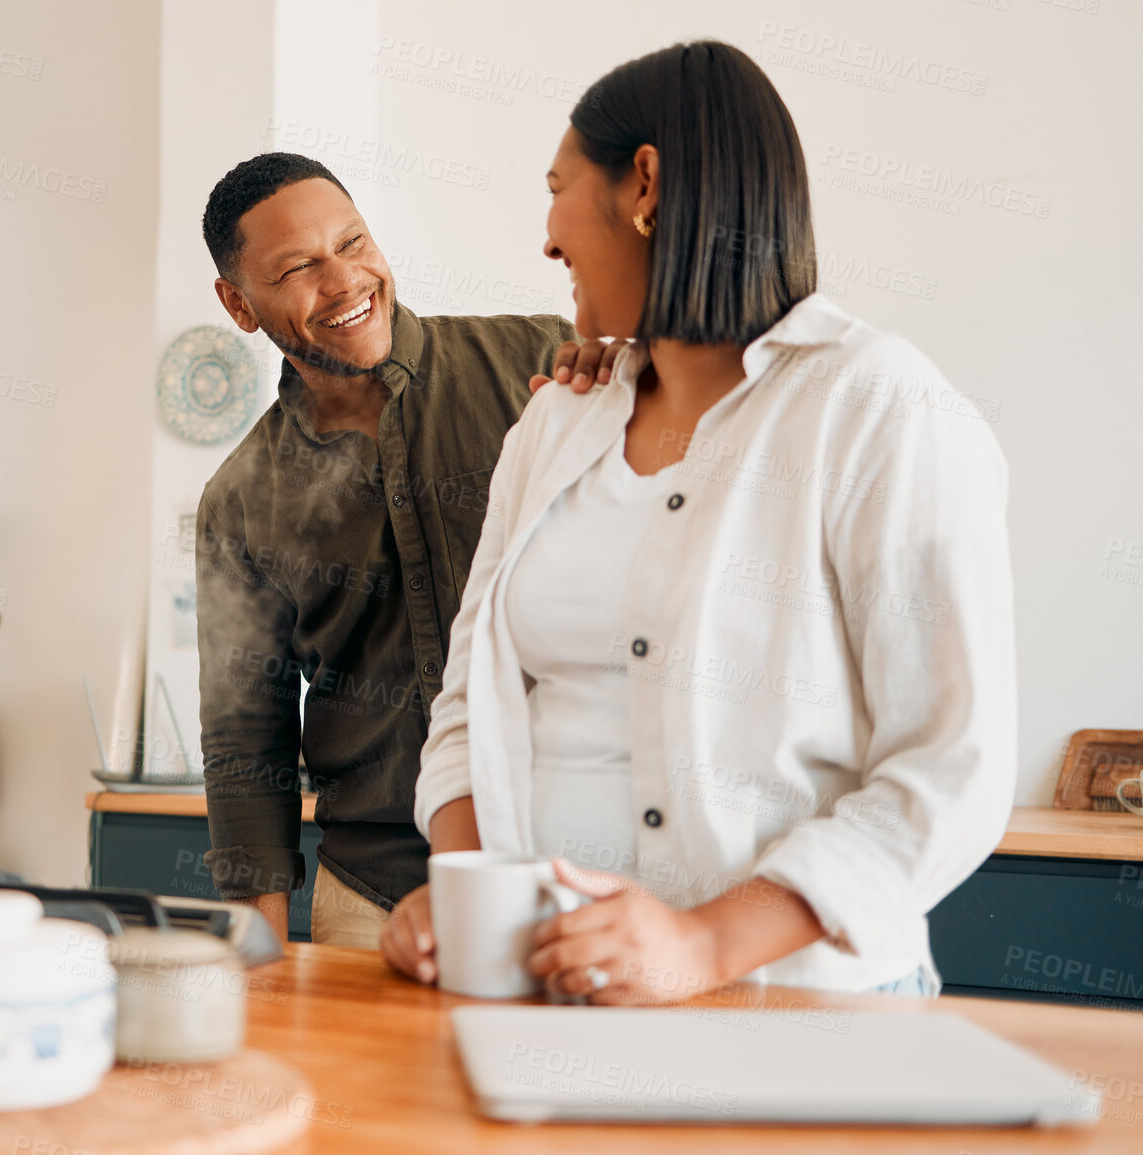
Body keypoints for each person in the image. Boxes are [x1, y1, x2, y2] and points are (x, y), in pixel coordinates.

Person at [380, 41, 1015, 1002]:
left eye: (555, 189)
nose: (546, 240)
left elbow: (949, 767)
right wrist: (465, 891)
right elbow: (469, 704)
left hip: (802, 1004)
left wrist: (701, 945)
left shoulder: (878, 407)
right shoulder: (554, 421)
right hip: (551, 989)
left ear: (644, 184)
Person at [194, 153, 617, 947]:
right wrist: (261, 963)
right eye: (297, 268)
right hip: (374, 894)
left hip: (575, 870)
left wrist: (626, 385)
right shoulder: (240, 498)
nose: (345, 280)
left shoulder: (543, 365)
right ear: (238, 304)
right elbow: (246, 738)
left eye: (352, 243)